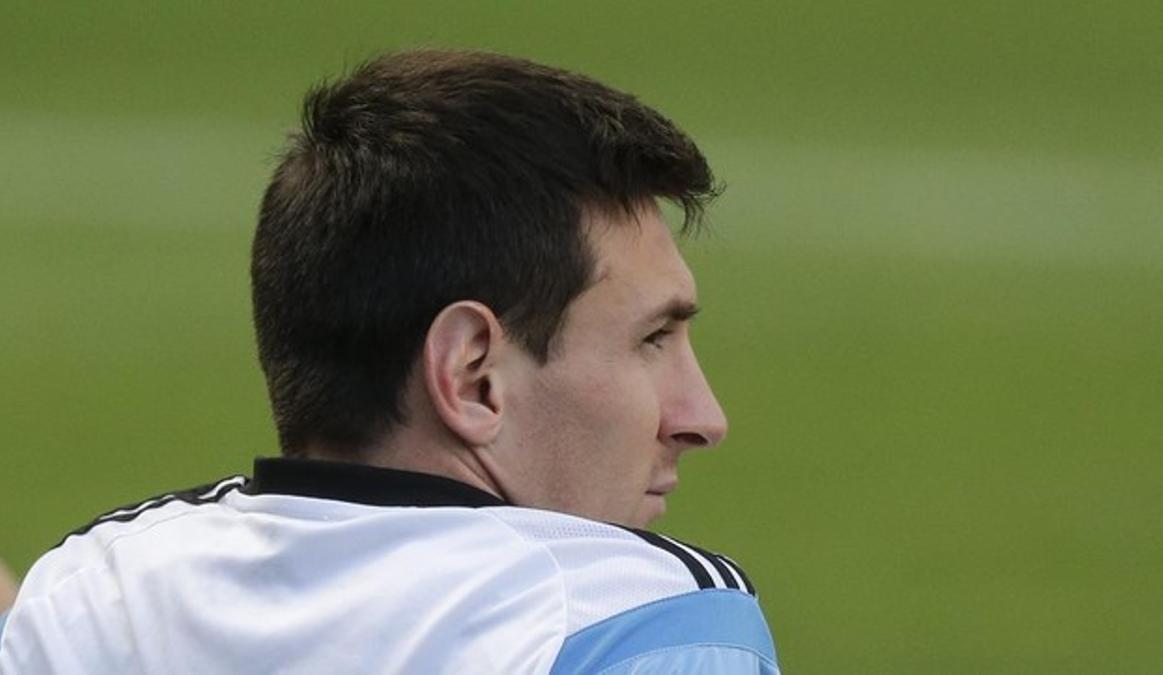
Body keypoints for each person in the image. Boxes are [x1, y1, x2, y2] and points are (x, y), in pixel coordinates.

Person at [0, 50, 779, 673]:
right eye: (652, 340)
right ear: (473, 375)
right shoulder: (641, 621)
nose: (701, 418)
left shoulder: (95, 591)